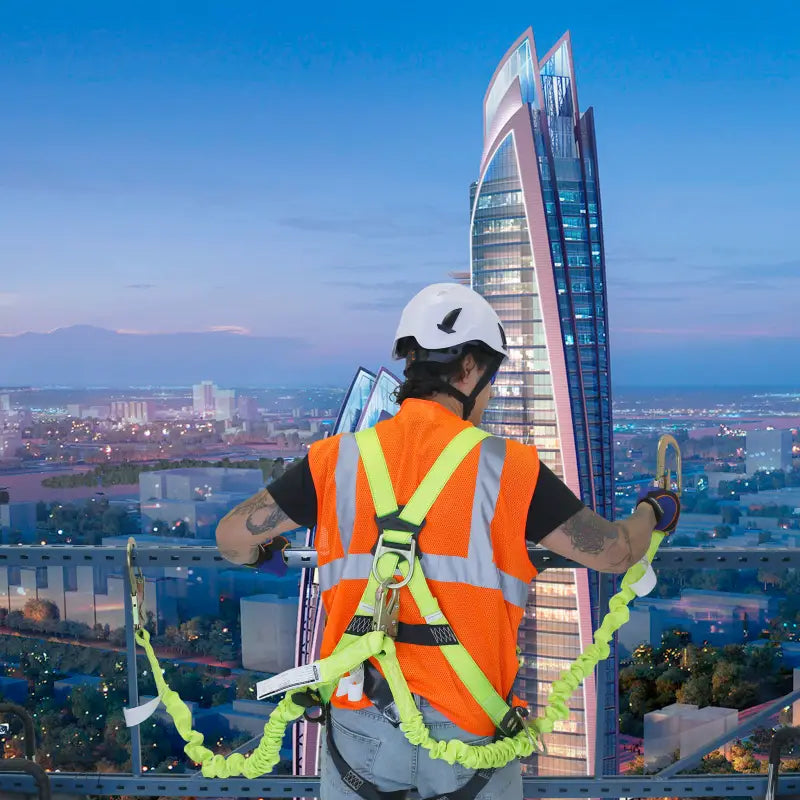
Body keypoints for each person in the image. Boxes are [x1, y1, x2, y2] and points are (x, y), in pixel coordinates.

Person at [216, 283, 680, 800]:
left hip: (360, 720)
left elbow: (233, 537)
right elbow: (615, 551)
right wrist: (655, 510)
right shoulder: (506, 468)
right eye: (490, 381)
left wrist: (267, 553)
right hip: (468, 730)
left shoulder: (336, 461)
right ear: (468, 371)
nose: (487, 396)